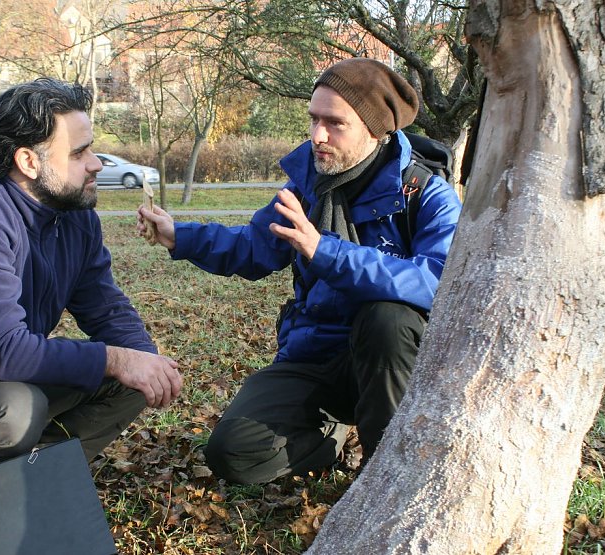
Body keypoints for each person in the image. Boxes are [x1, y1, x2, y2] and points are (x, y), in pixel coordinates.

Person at [138, 58, 463, 484]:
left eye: (334, 123)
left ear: (376, 130)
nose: (317, 136)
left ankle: (386, 478)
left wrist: (322, 250)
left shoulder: (427, 194)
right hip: (313, 355)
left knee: (389, 317)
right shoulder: (306, 187)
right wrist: (178, 235)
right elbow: (252, 246)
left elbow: (438, 281)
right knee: (232, 453)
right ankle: (331, 435)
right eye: (313, 119)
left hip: (387, 365)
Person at [0, 78, 182, 463]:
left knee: (130, 378)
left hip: (6, 379)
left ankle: (40, 472)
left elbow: (103, 304)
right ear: (28, 162)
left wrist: (145, 361)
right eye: (78, 153)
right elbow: (1, 353)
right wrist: (118, 360)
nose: (95, 164)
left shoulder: (74, 213)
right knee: (17, 407)